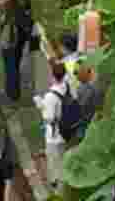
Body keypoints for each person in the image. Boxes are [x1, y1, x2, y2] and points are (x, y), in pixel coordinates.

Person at [35, 61, 71, 193]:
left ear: (52, 75)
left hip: (54, 135)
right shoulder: (67, 87)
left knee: (55, 162)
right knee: (62, 159)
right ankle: (60, 184)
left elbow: (49, 118)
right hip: (67, 130)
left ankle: (58, 188)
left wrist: (40, 104)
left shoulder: (50, 96)